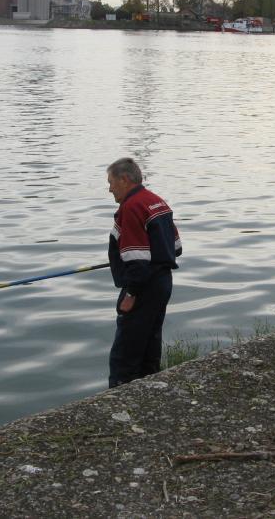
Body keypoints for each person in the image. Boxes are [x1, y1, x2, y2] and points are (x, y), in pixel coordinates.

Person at [106, 157, 182, 387]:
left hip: (142, 287)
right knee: (150, 345)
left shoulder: (131, 207)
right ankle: (149, 392)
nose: (109, 189)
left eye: (111, 182)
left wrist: (131, 294)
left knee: (125, 355)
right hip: (162, 283)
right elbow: (176, 248)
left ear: (124, 179)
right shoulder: (156, 202)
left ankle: (119, 400)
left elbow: (137, 261)